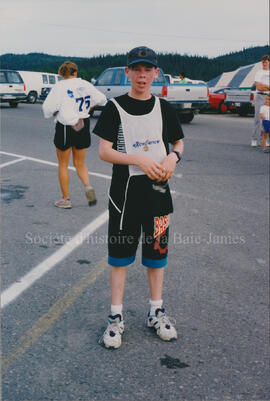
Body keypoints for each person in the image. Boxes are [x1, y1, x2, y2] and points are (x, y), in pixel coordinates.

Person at [93, 46, 184, 349]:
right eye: (137, 69)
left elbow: (179, 142)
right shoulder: (114, 107)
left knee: (157, 255)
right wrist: (138, 160)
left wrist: (172, 159)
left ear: (156, 73)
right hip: (125, 198)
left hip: (158, 196)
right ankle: (115, 317)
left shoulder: (164, 107)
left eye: (148, 70)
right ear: (128, 72)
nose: (142, 75)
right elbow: (104, 151)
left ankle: (155, 310)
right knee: (119, 258)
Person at [42, 61, 106, 208]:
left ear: (61, 73)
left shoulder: (60, 86)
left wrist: (55, 112)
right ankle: (88, 187)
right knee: (80, 163)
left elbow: (48, 107)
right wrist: (88, 107)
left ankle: (66, 199)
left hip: (66, 126)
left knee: (63, 164)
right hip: (83, 124)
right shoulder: (86, 84)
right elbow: (101, 99)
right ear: (75, 72)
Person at [251, 55, 270, 147]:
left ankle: (264, 139)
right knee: (257, 119)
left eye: (266, 61)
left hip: (268, 97)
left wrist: (265, 86)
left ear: (269, 62)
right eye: (263, 61)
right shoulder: (259, 73)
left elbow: (263, 86)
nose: (264, 63)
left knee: (267, 119)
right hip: (259, 97)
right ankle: (254, 139)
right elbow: (258, 87)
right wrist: (267, 86)